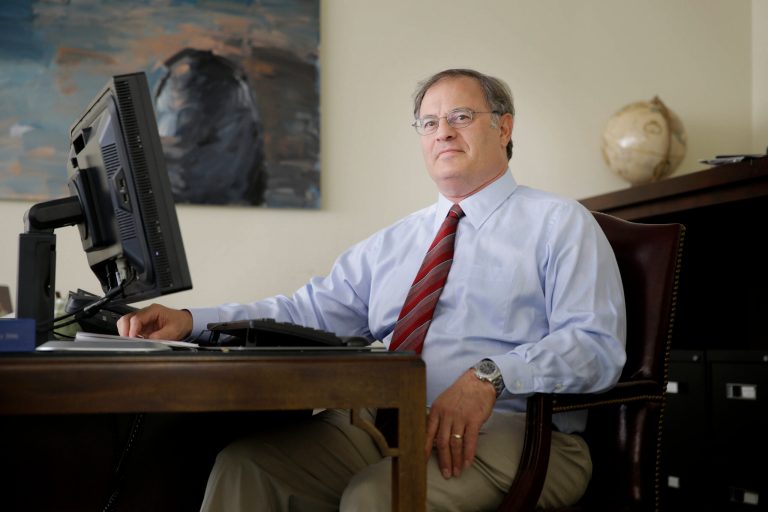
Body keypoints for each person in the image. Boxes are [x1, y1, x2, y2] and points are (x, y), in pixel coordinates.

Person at [118, 68, 627, 511]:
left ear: (504, 126)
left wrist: (489, 377)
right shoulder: (397, 241)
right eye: (429, 123)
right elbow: (306, 310)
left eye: (461, 117)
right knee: (245, 467)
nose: (442, 133)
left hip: (517, 435)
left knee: (377, 498)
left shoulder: (561, 223)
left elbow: (596, 347)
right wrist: (190, 320)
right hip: (386, 428)